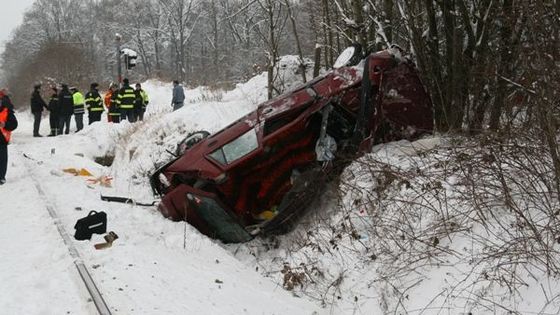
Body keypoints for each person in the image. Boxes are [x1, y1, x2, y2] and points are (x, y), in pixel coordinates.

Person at [0, 94, 18, 185]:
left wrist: (5, 124)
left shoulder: (7, 111)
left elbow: (14, 124)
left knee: (2, 159)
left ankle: (1, 177)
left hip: (2, 139)